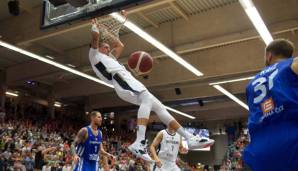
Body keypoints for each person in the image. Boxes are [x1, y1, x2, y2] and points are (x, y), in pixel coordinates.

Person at [88, 12, 214, 162]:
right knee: (146, 99)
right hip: (120, 82)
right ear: (99, 48)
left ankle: (189, 137)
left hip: (129, 82)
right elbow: (95, 40)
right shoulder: (94, 56)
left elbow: (120, 45)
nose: (109, 49)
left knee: (160, 107)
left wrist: (108, 28)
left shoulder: (110, 58)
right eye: (106, 47)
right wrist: (95, 28)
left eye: (109, 48)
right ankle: (139, 142)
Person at [243, 39, 298, 170]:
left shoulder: (250, 85)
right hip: (292, 141)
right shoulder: (293, 64)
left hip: (260, 153)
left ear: (269, 56)